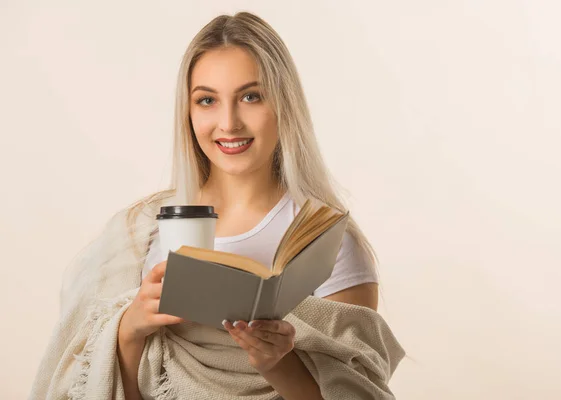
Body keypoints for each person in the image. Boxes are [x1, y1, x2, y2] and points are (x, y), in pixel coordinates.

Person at [30, 12, 402, 400]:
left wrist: (278, 364)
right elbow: (91, 386)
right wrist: (127, 331)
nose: (228, 123)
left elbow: (358, 393)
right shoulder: (139, 233)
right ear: (187, 112)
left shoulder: (330, 244)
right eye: (207, 100)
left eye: (251, 96)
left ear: (284, 104)